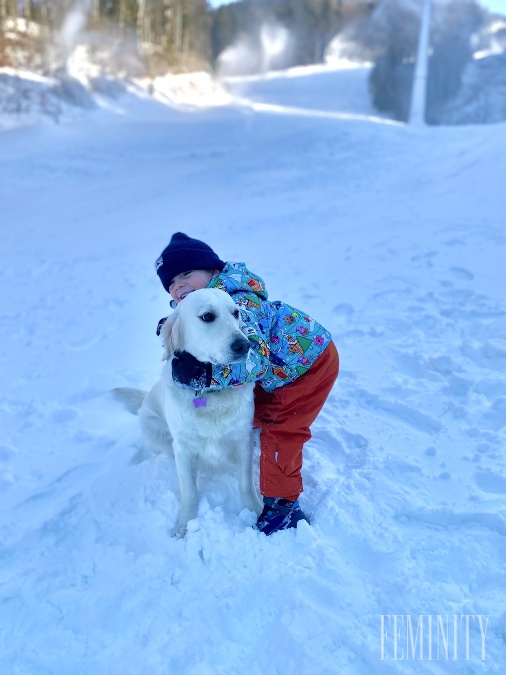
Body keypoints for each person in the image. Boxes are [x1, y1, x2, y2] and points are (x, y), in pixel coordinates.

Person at [155, 232, 339, 535]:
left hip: (308, 368)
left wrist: (207, 376)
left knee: (282, 428)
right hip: (274, 373)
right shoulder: (208, 302)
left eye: (187, 273)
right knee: (246, 411)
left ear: (213, 272)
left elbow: (252, 355)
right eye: (172, 283)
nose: (179, 285)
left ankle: (282, 505)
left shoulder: (236, 300)